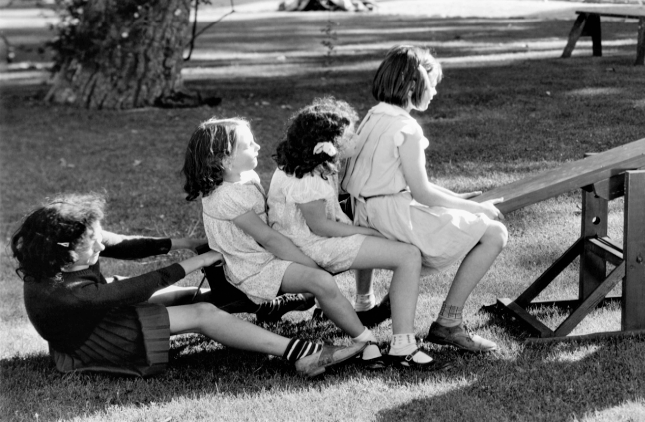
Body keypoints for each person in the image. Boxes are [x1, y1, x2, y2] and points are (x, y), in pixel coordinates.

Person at [11, 194, 362, 378]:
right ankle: (302, 354)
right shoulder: (62, 294)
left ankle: (267, 307)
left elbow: (124, 244)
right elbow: (134, 290)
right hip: (97, 338)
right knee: (202, 313)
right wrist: (197, 261)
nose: (101, 247)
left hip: (99, 309)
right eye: (92, 245)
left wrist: (186, 242)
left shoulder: (67, 244)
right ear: (64, 253)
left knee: (185, 298)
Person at [342, 45, 508, 352]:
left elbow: (405, 185)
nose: (433, 92)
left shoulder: (373, 116)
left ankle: (368, 302)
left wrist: (455, 197)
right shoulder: (407, 129)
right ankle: (448, 323)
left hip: (366, 212)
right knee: (494, 233)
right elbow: (422, 192)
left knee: (471, 222)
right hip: (392, 216)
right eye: (431, 85)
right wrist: (475, 207)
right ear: (411, 87)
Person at [182, 117, 382, 364]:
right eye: (248, 144)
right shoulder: (225, 196)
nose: (257, 146)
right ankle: (365, 339)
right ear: (225, 160)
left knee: (319, 267)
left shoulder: (246, 177)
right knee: (321, 280)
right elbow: (268, 239)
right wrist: (311, 266)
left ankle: (312, 304)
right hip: (251, 267)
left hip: (262, 255)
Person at [268, 98, 441, 370]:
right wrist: (365, 230)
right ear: (327, 144)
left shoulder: (317, 163)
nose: (356, 138)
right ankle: (404, 346)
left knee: (394, 241)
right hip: (307, 247)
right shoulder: (306, 177)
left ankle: (365, 305)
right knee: (408, 255)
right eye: (349, 135)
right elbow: (321, 227)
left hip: (316, 237)